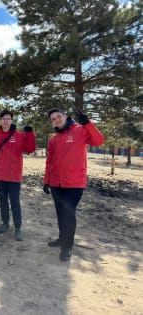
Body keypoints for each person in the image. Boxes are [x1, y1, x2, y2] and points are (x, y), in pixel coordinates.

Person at [44, 108, 104, 261]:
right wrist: (47, 181)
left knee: (68, 213)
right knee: (60, 213)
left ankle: (67, 246)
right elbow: (49, 161)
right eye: (53, 119)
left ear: (65, 116)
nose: (57, 120)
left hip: (74, 183)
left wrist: (88, 123)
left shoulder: (80, 130)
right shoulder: (53, 139)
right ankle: (62, 238)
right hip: (56, 183)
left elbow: (99, 141)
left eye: (59, 116)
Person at [0, 110, 36, 241]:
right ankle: (5, 222)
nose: (5, 121)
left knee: (15, 202)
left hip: (14, 176)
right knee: (3, 201)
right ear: (0, 120)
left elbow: (30, 149)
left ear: (12, 121)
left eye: (8, 118)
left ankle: (18, 227)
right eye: (3, 118)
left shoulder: (19, 136)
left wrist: (30, 133)